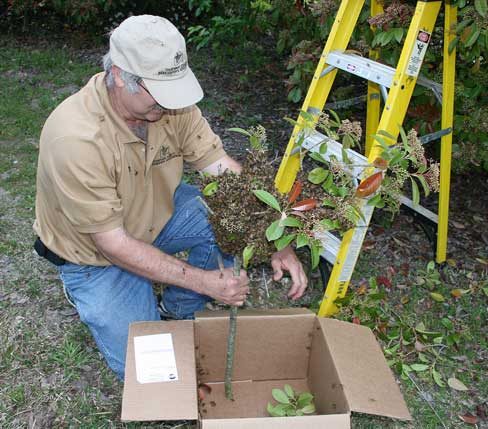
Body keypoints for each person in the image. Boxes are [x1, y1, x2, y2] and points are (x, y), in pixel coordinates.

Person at [33, 15, 307, 380]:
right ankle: (107, 297)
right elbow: (113, 245)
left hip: (156, 214)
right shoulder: (76, 140)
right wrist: (205, 282)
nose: (169, 105)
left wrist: (276, 237)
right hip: (96, 257)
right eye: (159, 92)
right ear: (119, 75)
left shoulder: (170, 107)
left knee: (227, 216)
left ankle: (178, 308)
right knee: (148, 372)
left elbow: (224, 170)